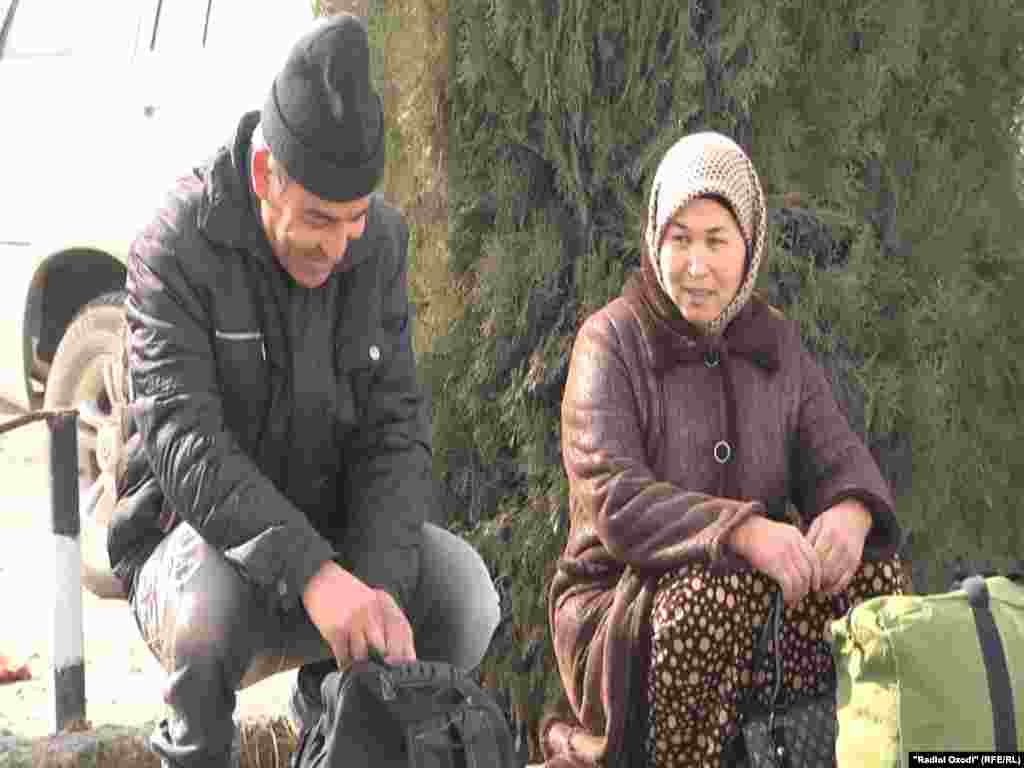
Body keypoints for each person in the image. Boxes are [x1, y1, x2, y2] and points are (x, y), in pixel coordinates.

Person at [109, 14, 500, 767]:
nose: (338, 245)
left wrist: (375, 591)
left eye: (354, 218)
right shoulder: (174, 245)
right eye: (319, 219)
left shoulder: (378, 245)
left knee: (467, 598)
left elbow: (395, 431)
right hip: (194, 547)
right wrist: (314, 575)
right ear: (265, 174)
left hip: (335, 547)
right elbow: (187, 447)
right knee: (205, 616)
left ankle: (336, 737)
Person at [539, 132, 906, 768]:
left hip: (746, 598)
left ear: (750, 244)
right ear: (655, 239)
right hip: (625, 610)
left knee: (878, 578)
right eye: (679, 239)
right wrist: (743, 532)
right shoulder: (611, 342)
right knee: (710, 601)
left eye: (717, 240)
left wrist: (852, 512)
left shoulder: (775, 342)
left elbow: (834, 450)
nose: (696, 265)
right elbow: (617, 500)